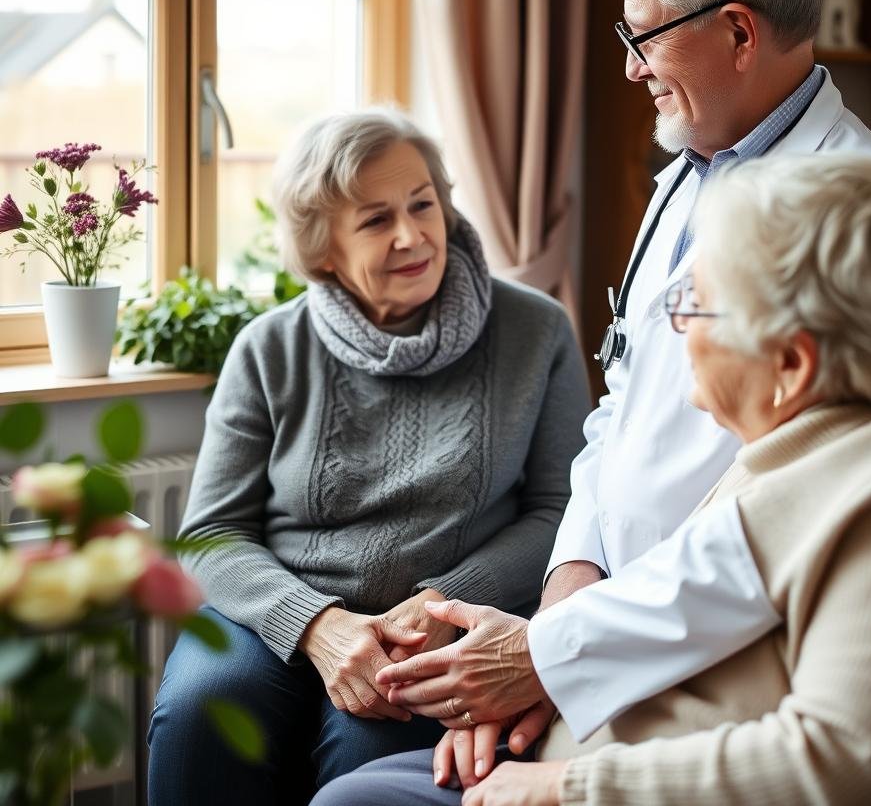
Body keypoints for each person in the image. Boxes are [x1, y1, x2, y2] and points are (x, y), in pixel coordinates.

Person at [319, 0, 871, 782]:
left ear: (738, 33)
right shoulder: (687, 172)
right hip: (599, 635)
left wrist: (555, 661)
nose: (630, 67)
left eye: (644, 36)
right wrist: (564, 605)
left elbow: (800, 515)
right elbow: (620, 407)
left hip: (707, 667)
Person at [315, 154, 871, 805]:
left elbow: (842, 764)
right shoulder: (806, 449)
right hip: (590, 742)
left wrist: (567, 785)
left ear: (791, 365)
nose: (675, 330)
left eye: (696, 306)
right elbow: (676, 600)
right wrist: (540, 667)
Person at [146, 108, 590, 805]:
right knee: (200, 718)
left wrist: (442, 601)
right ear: (323, 248)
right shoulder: (270, 348)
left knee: (366, 760)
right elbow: (209, 534)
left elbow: (561, 510)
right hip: (276, 614)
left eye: (423, 205)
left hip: (441, 625)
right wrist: (317, 626)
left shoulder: (537, 329)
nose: (413, 235)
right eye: (376, 220)